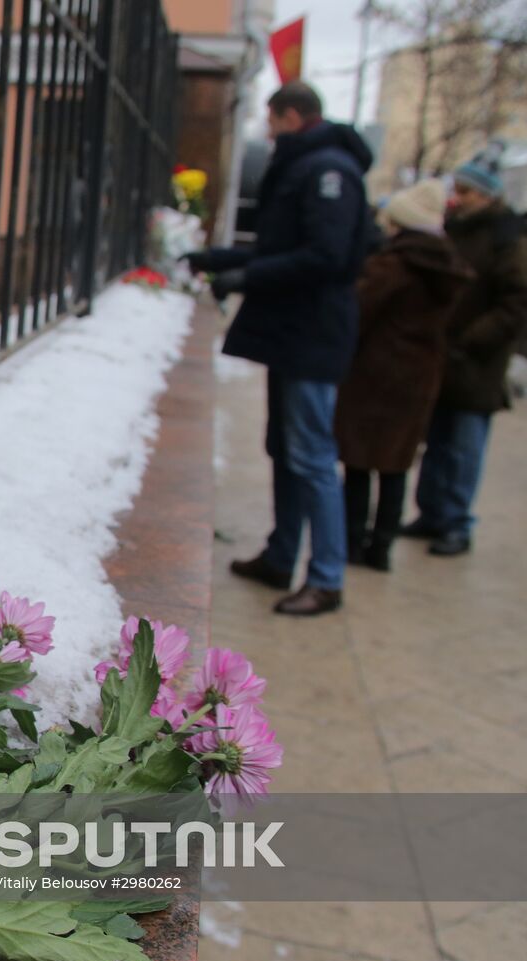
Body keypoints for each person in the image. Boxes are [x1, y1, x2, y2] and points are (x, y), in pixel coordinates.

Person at [187, 82, 373, 616]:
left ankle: (327, 578)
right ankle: (281, 556)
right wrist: (219, 260)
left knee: (311, 456)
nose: (267, 132)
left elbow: (325, 256)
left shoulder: (328, 170)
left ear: (291, 116)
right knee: (286, 449)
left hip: (312, 334)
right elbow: (281, 247)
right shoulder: (306, 164)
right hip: (294, 333)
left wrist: (245, 276)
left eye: (270, 121)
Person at [334, 180, 471, 571]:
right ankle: (382, 547)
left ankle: (352, 541)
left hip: (375, 375)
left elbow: (357, 311)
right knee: (395, 464)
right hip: (420, 377)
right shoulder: (449, 266)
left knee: (359, 461)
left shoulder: (394, 264)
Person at [405, 147, 527, 555]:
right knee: (438, 438)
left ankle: (456, 521)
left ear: (488, 195)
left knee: (464, 444)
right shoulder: (455, 228)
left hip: (476, 361)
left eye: (466, 191)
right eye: (455, 189)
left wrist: (472, 339)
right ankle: (431, 513)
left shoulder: (506, 239)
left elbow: (516, 303)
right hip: (444, 353)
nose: (457, 197)